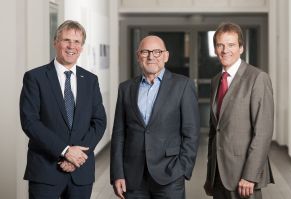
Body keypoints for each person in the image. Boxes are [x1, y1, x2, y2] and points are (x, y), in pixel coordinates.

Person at [20, 20, 107, 199]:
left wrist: (78, 156)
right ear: (55, 42)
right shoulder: (35, 78)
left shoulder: (90, 80)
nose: (71, 46)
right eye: (66, 40)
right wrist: (66, 151)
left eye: (77, 42)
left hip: (80, 171)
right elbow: (30, 122)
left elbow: (99, 121)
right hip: (45, 170)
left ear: (82, 47)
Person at [110, 35, 200, 199]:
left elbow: (191, 133)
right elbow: (119, 134)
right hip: (133, 177)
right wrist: (117, 173)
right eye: (145, 52)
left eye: (157, 52)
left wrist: (182, 169)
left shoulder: (183, 86)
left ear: (166, 56)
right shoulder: (126, 88)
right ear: (138, 56)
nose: (151, 57)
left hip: (170, 175)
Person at [203, 22, 274, 199]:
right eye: (220, 45)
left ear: (241, 48)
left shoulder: (257, 78)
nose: (225, 50)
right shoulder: (216, 80)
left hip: (243, 178)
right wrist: (209, 176)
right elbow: (215, 132)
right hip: (218, 176)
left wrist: (250, 176)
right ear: (215, 49)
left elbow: (263, 132)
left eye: (231, 45)